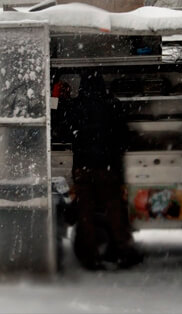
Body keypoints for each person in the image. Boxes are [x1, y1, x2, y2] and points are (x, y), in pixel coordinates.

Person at [69, 71, 142, 270]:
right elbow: (123, 136)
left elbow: (66, 130)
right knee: (114, 210)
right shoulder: (113, 104)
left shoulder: (76, 106)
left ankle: (90, 257)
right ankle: (124, 252)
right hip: (107, 167)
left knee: (86, 214)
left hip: (83, 167)